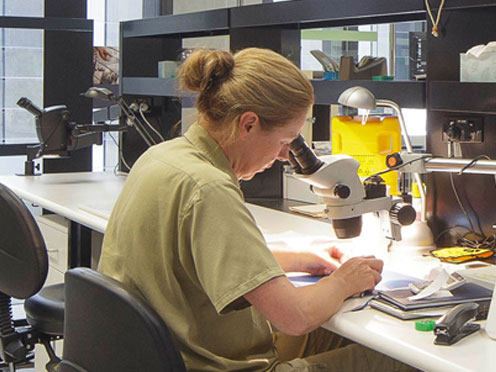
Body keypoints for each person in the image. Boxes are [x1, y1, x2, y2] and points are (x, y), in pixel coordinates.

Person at [98, 48, 416, 372]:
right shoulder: (209, 189)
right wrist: (345, 281)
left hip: (156, 357)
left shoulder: (162, 158)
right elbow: (296, 316)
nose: (282, 157)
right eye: (285, 141)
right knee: (403, 360)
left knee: (349, 339)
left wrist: (299, 259)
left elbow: (196, 260)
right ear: (248, 124)